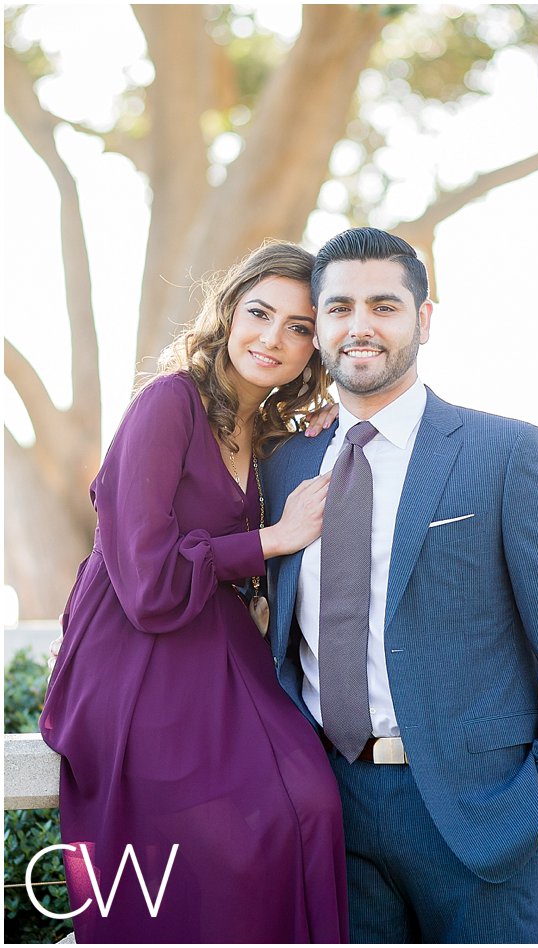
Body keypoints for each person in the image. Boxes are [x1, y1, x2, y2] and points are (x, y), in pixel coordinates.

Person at [261, 227, 538, 942]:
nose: (361, 326)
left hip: (480, 819)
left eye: (384, 306)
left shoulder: (508, 453)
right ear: (320, 327)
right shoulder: (282, 468)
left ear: (424, 319)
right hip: (328, 809)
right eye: (340, 309)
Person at [39, 242, 348, 942]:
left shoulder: (270, 432)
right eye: (259, 313)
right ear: (229, 313)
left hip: (223, 649)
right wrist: (273, 539)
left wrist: (329, 426)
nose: (273, 338)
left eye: (299, 328)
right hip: (136, 651)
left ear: (316, 350)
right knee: (231, 829)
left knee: (313, 805)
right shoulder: (167, 403)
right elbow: (145, 580)